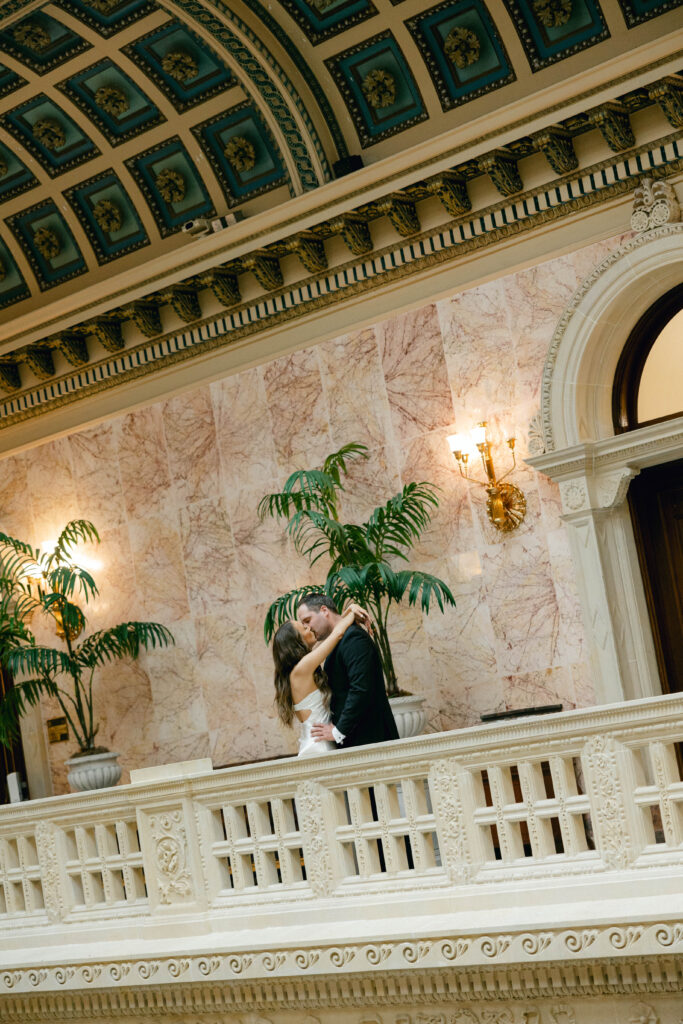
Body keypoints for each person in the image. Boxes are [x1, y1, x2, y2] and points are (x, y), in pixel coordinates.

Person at [297, 594, 399, 749]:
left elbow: (361, 689)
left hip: (371, 740)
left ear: (324, 610)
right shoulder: (335, 641)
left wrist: (339, 731)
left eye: (307, 620)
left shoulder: (354, 638)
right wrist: (350, 611)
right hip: (356, 741)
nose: (307, 628)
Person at [272, 602, 367, 758]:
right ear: (296, 642)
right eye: (304, 628)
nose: (309, 628)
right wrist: (352, 613)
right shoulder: (302, 669)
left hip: (318, 742)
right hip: (318, 747)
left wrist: (349, 610)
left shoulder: (302, 667)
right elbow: (336, 635)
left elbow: (332, 634)